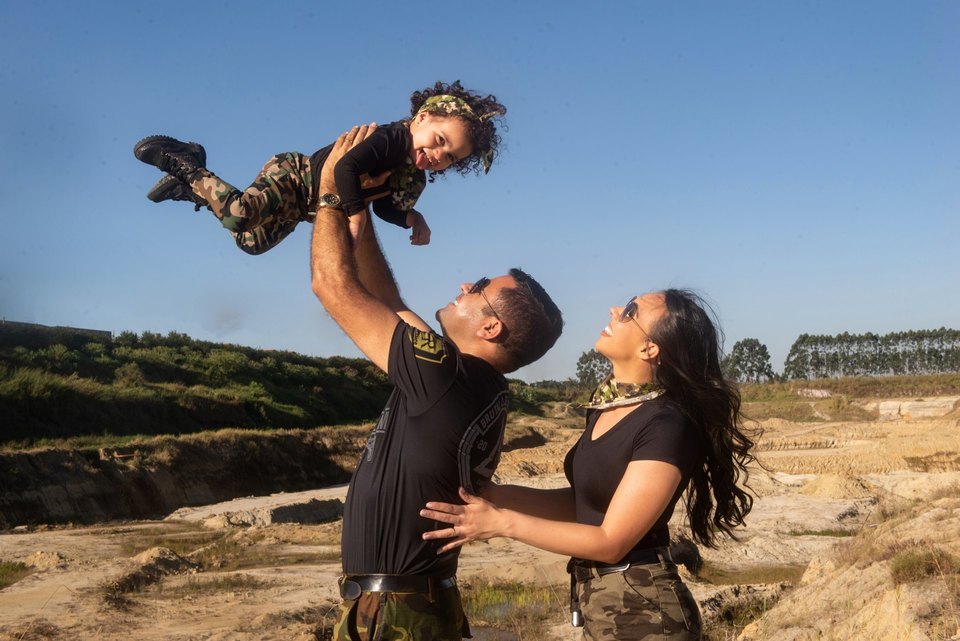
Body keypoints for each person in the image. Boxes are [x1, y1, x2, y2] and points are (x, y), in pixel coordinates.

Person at [310, 125, 563, 640]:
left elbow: (332, 286)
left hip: (395, 615)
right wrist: (366, 212)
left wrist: (332, 196)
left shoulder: (445, 378)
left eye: (482, 289)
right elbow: (388, 300)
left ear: (491, 328)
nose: (466, 284)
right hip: (409, 604)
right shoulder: (473, 384)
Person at [420, 290, 756, 640]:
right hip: (604, 604)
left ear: (649, 348)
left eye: (630, 311)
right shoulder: (606, 409)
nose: (614, 309)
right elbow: (582, 504)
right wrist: (495, 496)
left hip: (646, 612)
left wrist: (502, 523)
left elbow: (611, 541)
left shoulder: (668, 424)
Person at [133, 81, 506, 254]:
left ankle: (188, 189)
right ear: (421, 118)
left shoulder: (414, 177)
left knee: (251, 243)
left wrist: (412, 218)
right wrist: (355, 216)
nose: (439, 155)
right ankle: (184, 162)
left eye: (451, 157)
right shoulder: (391, 139)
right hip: (296, 175)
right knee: (241, 215)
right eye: (440, 140)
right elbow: (346, 167)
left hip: (305, 207)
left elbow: (386, 205)